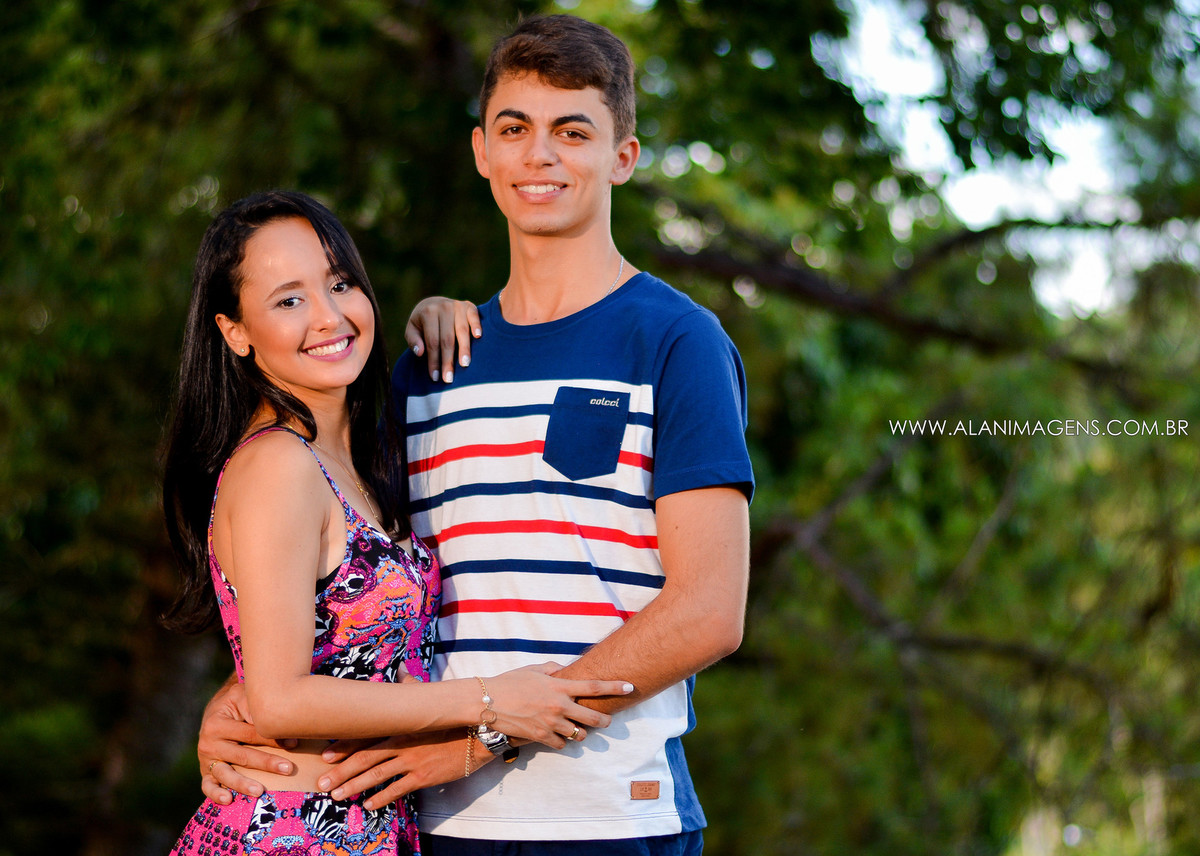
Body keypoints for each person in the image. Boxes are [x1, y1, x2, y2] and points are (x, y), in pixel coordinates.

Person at [200, 14, 753, 855]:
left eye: (573, 132)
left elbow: (709, 612)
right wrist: (240, 700)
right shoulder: (430, 364)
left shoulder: (677, 343)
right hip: (430, 822)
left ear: (623, 158)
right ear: (481, 152)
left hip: (608, 814)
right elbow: (347, 580)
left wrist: (485, 735)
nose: (540, 156)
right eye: (515, 129)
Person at [162, 189, 633, 856]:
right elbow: (281, 701)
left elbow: (327, 657)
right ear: (235, 331)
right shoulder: (277, 467)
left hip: (364, 831)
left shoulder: (353, 460)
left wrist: (434, 314)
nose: (329, 316)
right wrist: (489, 703)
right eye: (289, 300)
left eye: (340, 283)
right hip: (290, 834)